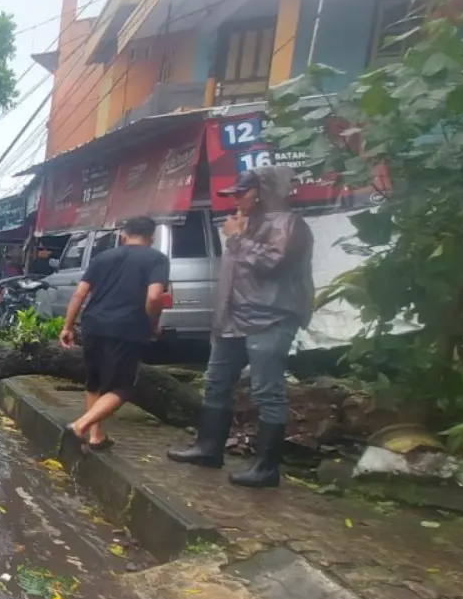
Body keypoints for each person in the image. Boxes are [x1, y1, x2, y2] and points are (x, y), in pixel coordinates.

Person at [167, 166, 314, 489]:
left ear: (261, 192)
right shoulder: (243, 224)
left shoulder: (289, 224)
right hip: (231, 321)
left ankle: (265, 467)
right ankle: (208, 448)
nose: (234, 199)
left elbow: (272, 264)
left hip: (270, 319)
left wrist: (236, 238)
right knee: (216, 382)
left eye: (240, 193)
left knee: (267, 391)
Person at [58, 216, 169, 449]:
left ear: (123, 234)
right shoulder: (157, 259)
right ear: (152, 237)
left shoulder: (103, 257)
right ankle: (81, 426)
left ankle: (96, 436)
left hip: (93, 325)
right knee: (121, 387)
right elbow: (154, 296)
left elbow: (79, 293)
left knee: (95, 382)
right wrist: (152, 324)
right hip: (126, 328)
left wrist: (67, 327)